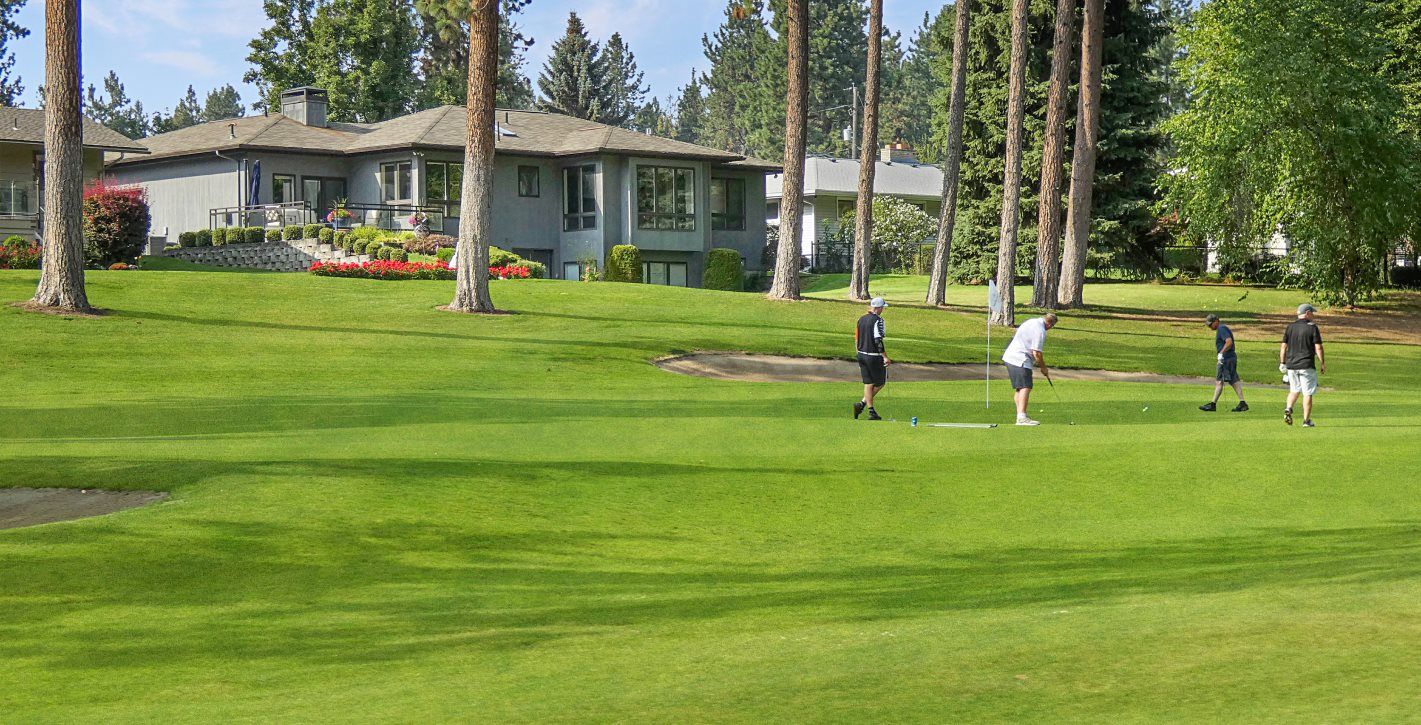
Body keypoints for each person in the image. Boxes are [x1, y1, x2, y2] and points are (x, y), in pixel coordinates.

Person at [1001, 313, 1057, 426]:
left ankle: (1020, 416)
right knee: (1026, 386)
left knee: (1019, 388)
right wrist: (1043, 368)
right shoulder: (1040, 330)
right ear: (1050, 325)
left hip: (1010, 357)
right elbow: (1036, 353)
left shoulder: (1031, 321)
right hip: (1020, 358)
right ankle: (1022, 417)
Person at [1281, 303, 1325, 427]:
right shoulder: (1312, 327)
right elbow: (1318, 347)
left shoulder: (1290, 327)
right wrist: (1322, 363)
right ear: (1307, 313)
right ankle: (1306, 420)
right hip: (1306, 365)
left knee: (1294, 390)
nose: (1313, 316)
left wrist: (1282, 362)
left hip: (1292, 365)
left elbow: (1283, 347)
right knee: (1307, 393)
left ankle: (1288, 408)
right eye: (1312, 313)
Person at [1200, 313, 1248, 412]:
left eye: (1211, 324)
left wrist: (1221, 353)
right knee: (1233, 380)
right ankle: (1242, 403)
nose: (1209, 327)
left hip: (1226, 359)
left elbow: (1229, 342)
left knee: (1219, 381)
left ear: (1216, 321)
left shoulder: (1221, 329)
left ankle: (1213, 404)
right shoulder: (1222, 328)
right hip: (1230, 358)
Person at [853, 297, 892, 421]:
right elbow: (878, 340)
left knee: (868, 383)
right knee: (880, 382)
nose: (882, 310)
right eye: (882, 308)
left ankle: (869, 410)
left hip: (861, 354)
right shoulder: (878, 320)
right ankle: (863, 405)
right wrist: (885, 357)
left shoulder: (861, 319)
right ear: (878, 308)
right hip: (873, 356)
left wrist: (858, 352)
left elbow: (856, 338)